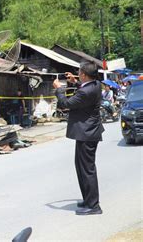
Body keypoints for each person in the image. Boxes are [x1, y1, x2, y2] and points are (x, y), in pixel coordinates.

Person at [53, 62, 104, 216]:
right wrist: (75, 82)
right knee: (82, 167)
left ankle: (94, 205)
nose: (77, 75)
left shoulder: (86, 92)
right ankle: (89, 200)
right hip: (88, 132)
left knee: (87, 170)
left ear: (84, 74)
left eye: (79, 73)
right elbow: (83, 90)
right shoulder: (95, 84)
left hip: (86, 133)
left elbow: (65, 104)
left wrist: (59, 90)